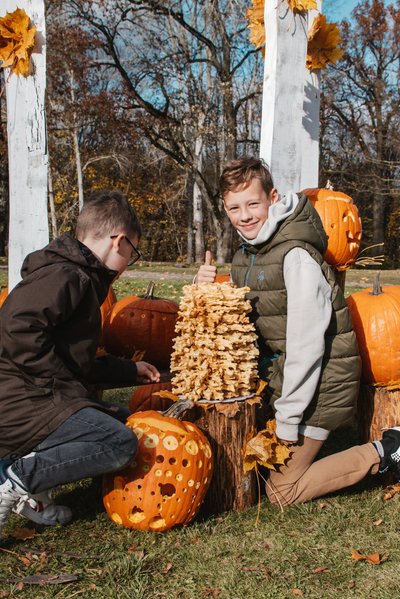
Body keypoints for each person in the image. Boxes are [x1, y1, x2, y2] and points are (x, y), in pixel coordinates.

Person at [196, 157, 400, 506]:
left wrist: (289, 421)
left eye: (253, 204)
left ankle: (386, 451)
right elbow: (237, 322)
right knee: (255, 471)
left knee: (280, 491)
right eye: (234, 207)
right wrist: (205, 287)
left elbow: (307, 347)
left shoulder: (296, 258)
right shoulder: (248, 254)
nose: (244, 215)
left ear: (273, 199)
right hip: (283, 380)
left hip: (321, 385)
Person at [0, 190, 160, 535]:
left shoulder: (82, 278)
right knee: (119, 443)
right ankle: (16, 478)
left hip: (43, 394)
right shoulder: (67, 276)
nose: (131, 259)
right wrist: (58, 382)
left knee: (128, 421)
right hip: (23, 402)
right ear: (118, 242)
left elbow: (77, 361)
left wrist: (129, 369)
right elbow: (17, 327)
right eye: (133, 250)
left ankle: (37, 493)